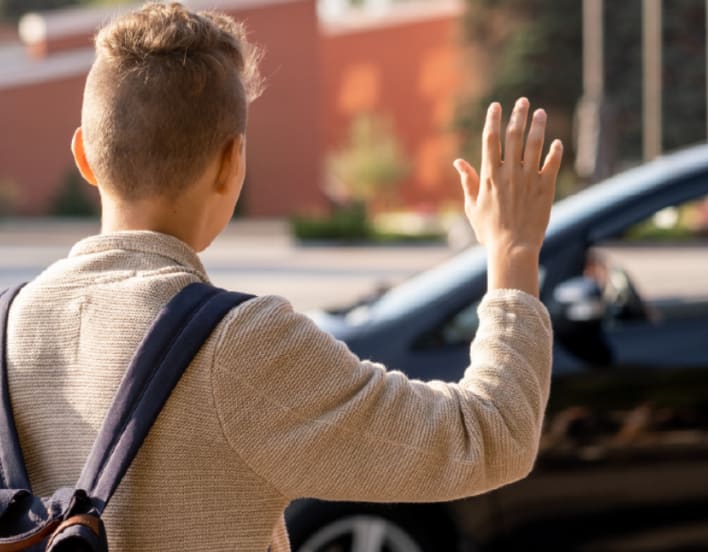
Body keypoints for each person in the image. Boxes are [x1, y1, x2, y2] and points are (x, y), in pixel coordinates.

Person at [4, 3, 562, 550]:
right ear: (232, 163)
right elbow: (492, 435)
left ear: (85, 156)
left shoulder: (7, 327)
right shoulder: (241, 347)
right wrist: (512, 251)